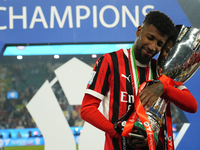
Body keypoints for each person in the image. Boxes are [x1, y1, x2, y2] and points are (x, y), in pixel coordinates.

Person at [80, 11, 198, 150]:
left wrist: (164, 88)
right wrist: (120, 133)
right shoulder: (110, 61)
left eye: (160, 43)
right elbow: (87, 109)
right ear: (139, 31)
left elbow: (192, 106)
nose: (152, 47)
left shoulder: (161, 71)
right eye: (150, 37)